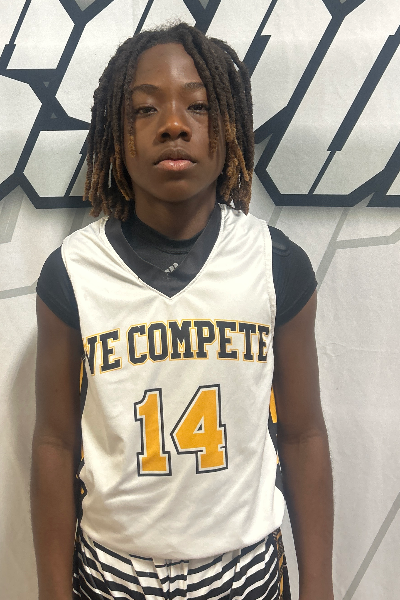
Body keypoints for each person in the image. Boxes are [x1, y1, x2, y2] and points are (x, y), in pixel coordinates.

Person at [31, 22, 334, 600]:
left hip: (242, 568)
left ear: (230, 127)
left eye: (198, 105)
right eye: (145, 110)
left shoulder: (276, 264)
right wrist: (51, 590)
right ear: (115, 135)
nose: (174, 124)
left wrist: (318, 584)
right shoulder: (72, 272)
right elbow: (54, 443)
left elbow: (302, 435)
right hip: (112, 570)